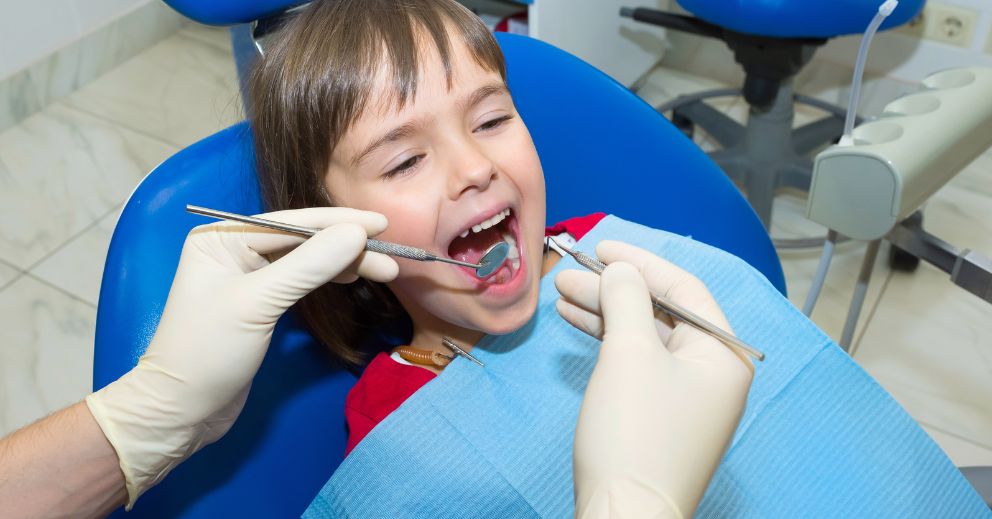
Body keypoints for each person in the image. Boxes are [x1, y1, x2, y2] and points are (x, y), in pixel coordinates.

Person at [0, 209, 749, 519]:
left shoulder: (602, 240)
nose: (473, 167)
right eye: (406, 159)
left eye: (493, 118)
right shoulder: (396, 408)